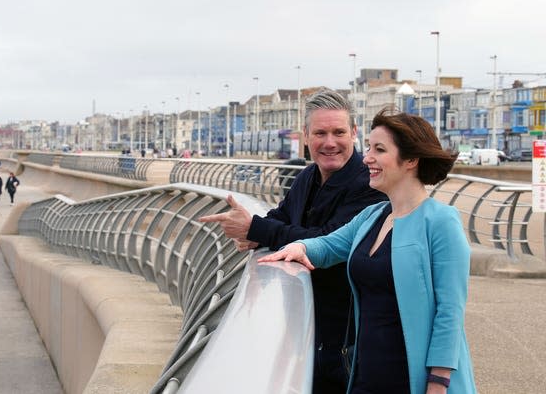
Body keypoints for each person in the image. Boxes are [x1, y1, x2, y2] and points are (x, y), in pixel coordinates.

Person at [259, 110, 476, 394]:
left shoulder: (440, 222)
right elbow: (329, 244)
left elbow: (450, 311)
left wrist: (438, 383)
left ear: (411, 160)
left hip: (414, 379)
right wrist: (298, 247)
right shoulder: (373, 215)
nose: (367, 158)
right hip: (366, 374)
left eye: (380, 150)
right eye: (369, 147)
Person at [199, 90, 387, 393]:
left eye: (339, 132)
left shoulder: (369, 184)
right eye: (320, 133)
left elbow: (327, 240)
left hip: (345, 339)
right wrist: (253, 232)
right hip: (303, 326)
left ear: (354, 133)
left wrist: (256, 229)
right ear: (306, 135)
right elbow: (280, 218)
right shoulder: (307, 177)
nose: (330, 142)